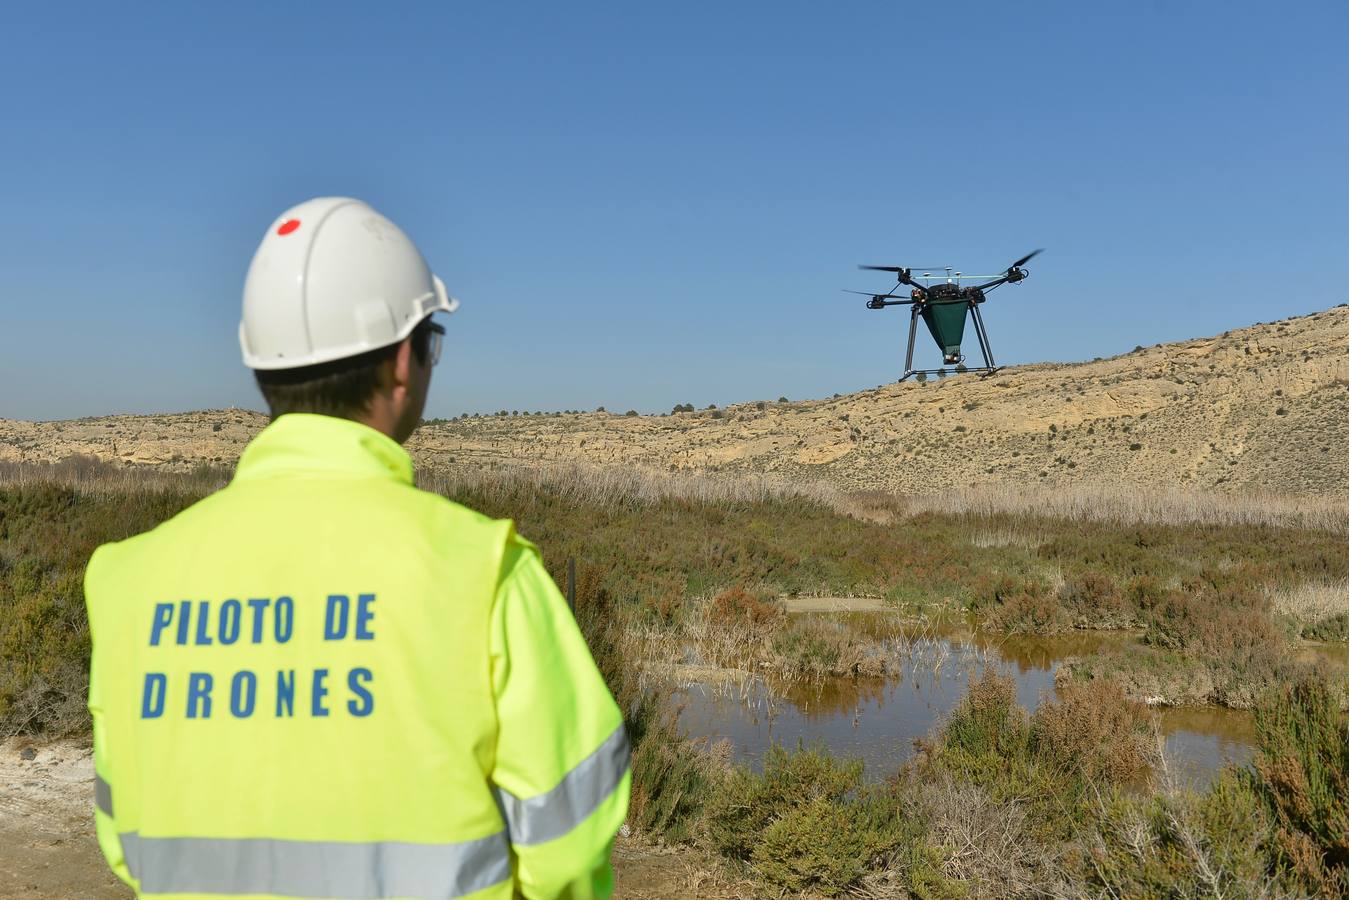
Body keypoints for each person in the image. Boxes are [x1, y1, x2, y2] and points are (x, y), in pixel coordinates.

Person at [84, 197, 630, 899]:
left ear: (262, 366)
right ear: (404, 360)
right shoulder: (482, 571)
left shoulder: (129, 579)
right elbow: (567, 850)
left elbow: (124, 843)